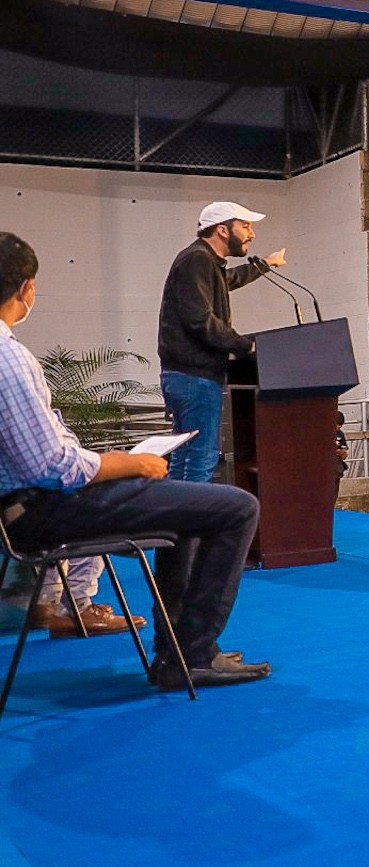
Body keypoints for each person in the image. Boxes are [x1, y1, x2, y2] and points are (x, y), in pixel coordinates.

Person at [1, 233, 268, 686]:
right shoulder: (8, 358)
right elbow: (53, 467)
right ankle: (192, 654)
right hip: (43, 508)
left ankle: (181, 653)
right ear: (28, 287)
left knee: (190, 510)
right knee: (237, 507)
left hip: (26, 504)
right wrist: (131, 463)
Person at [157, 201, 286, 483]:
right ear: (223, 230)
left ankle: (179, 511)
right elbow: (200, 320)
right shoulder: (197, 260)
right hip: (194, 378)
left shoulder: (202, 261)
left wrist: (266, 264)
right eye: (245, 226)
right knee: (200, 458)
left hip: (187, 376)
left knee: (185, 455)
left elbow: (229, 279)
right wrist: (247, 346)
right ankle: (194, 512)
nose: (252, 234)